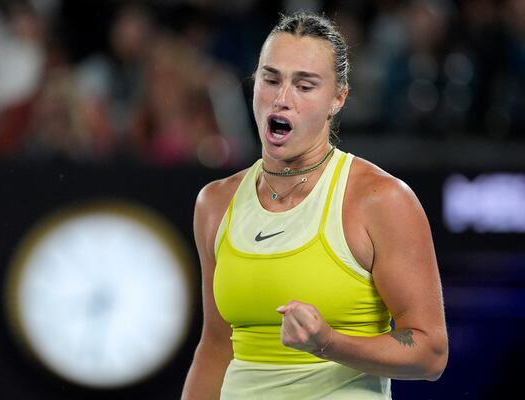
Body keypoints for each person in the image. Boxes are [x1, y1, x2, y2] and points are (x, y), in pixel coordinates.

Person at [182, 11, 448, 399]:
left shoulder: (381, 200)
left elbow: (431, 354)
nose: (282, 98)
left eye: (304, 86)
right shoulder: (215, 202)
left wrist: (328, 343)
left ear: (338, 98)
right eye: (270, 79)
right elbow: (216, 347)